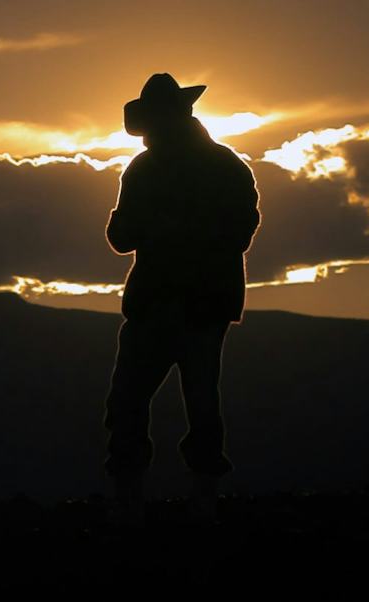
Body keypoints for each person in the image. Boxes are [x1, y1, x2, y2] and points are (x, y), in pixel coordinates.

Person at [102, 73, 261, 527]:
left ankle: (131, 509)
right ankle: (199, 506)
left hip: (166, 303)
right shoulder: (226, 166)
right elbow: (240, 232)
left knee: (131, 402)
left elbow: (120, 236)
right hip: (199, 304)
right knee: (198, 403)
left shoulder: (145, 170)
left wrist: (163, 229)